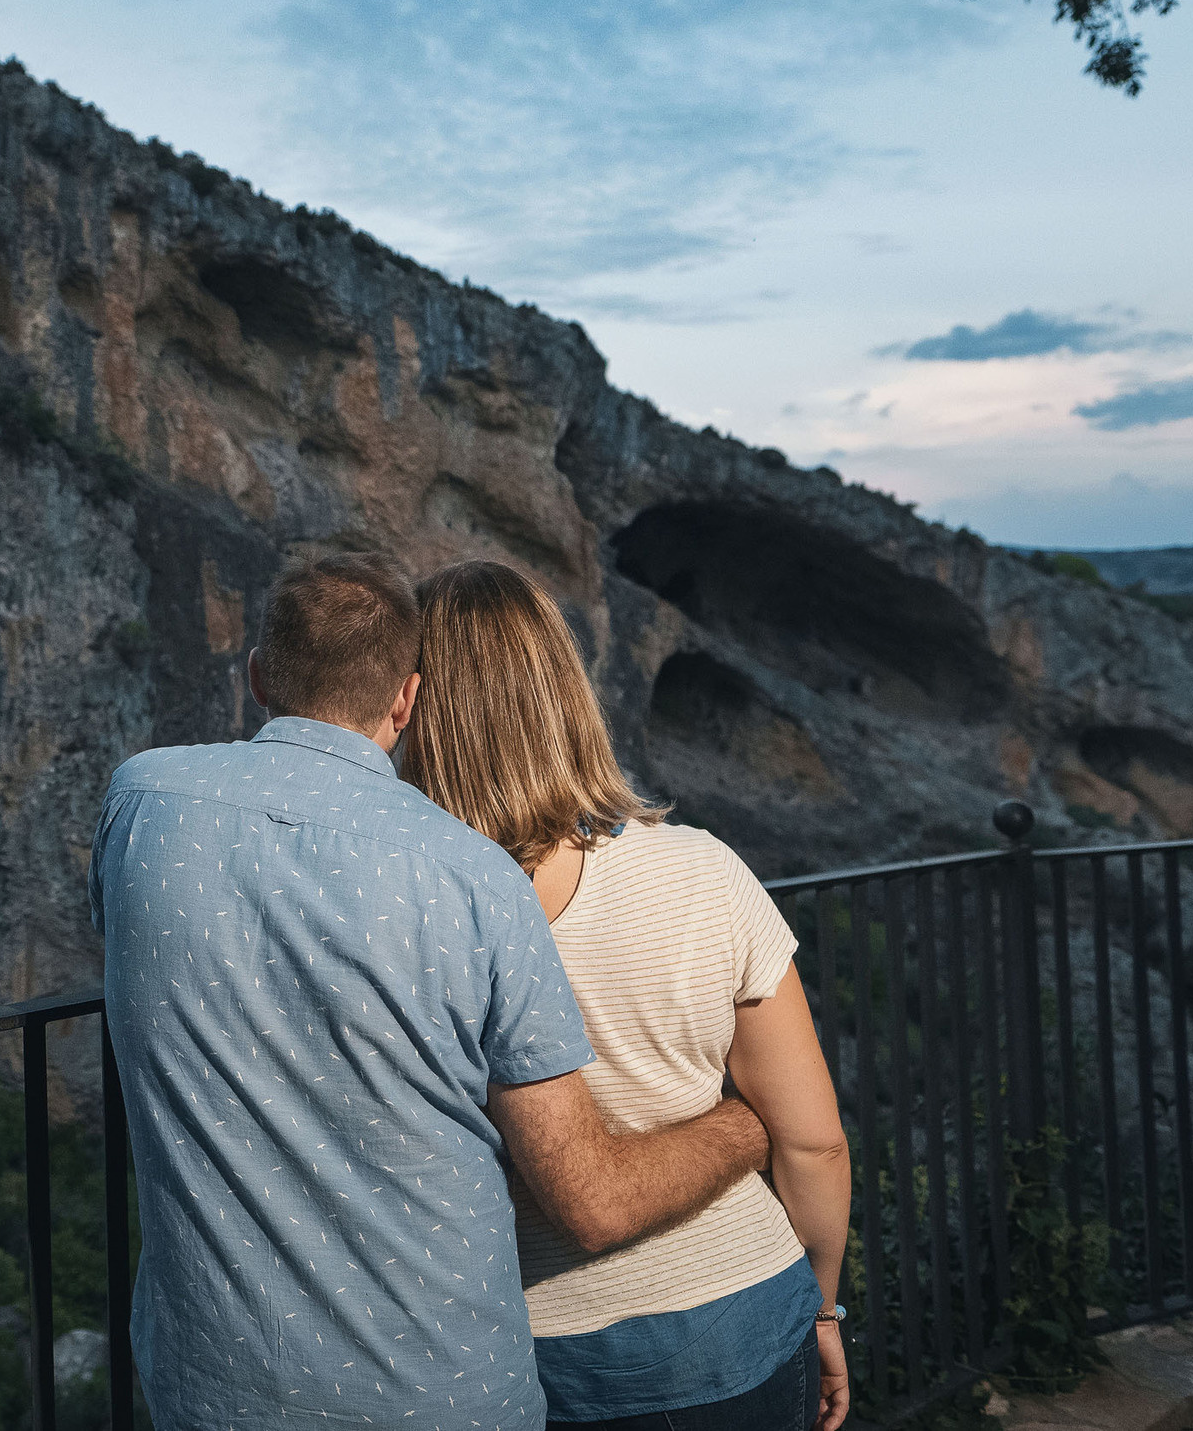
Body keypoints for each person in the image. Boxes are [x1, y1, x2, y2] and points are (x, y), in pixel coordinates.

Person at [89, 553, 773, 1430]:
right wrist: (746, 1122)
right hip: (437, 1396)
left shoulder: (141, 800)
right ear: (406, 701)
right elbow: (590, 1197)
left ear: (259, 676)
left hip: (208, 1388)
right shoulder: (474, 878)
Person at [400, 560, 852, 1431]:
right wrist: (823, 1307)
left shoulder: (411, 911)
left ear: (415, 708)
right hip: (753, 1321)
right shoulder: (704, 871)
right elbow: (816, 1143)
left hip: (536, 1357)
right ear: (565, 691)